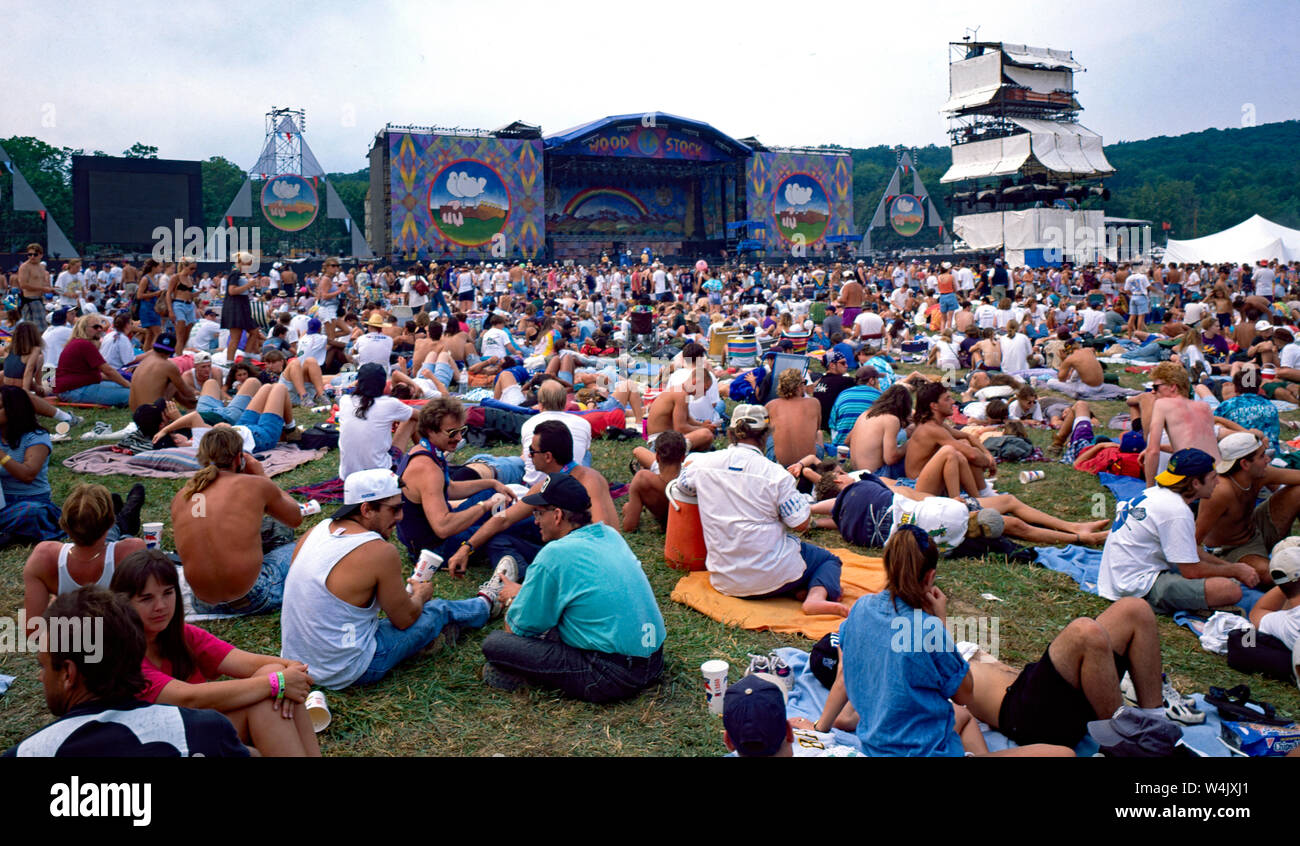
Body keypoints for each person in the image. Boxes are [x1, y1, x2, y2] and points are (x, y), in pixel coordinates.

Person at [805, 530, 1071, 757]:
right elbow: (964, 695)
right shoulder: (928, 629)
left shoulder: (861, 608)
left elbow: (843, 676)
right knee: (1064, 753)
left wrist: (819, 729)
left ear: (887, 566)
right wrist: (940, 622)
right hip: (928, 750)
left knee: (961, 718)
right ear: (930, 576)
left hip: (878, 747)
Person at [282, 468, 502, 690]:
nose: (400, 517)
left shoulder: (316, 531)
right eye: (394, 509)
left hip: (297, 662)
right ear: (366, 509)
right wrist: (421, 596)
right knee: (438, 610)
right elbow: (404, 620)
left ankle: (438, 635)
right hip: (346, 669)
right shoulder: (378, 550)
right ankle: (488, 603)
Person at [111, 549, 320, 757]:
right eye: (146, 598)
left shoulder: (182, 635)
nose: (161, 606)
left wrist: (291, 671)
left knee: (274, 675)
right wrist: (278, 683)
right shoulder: (124, 657)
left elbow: (251, 663)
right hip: (166, 745)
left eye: (168, 593)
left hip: (201, 731)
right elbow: (189, 698)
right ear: (124, 603)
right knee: (271, 694)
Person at [480, 472, 667, 702]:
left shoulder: (554, 554)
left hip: (611, 674)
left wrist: (513, 600)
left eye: (539, 513)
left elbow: (517, 630)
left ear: (558, 515)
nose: (536, 521)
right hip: (654, 660)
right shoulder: (609, 534)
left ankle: (527, 678)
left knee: (495, 644)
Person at [5, 587, 248, 757]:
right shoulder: (208, 732)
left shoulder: (27, 753)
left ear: (68, 673)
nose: (40, 677)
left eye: (43, 666)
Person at [675, 404, 847, 617]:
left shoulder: (701, 465)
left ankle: (799, 588)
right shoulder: (776, 475)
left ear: (731, 434)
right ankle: (815, 597)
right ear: (766, 435)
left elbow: (682, 487)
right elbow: (800, 524)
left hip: (724, 579)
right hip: (772, 574)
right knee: (828, 560)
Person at [445, 420, 618, 578]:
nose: (529, 456)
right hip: (566, 549)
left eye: (532, 451)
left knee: (512, 531)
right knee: (501, 534)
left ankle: (529, 583)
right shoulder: (549, 484)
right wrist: (467, 547)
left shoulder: (588, 481)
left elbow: (600, 537)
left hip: (586, 562)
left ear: (548, 456)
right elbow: (504, 519)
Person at [1101, 448, 1256, 613]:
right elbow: (1192, 571)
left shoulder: (1156, 493)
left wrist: (1232, 567)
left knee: (1223, 580)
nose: (1217, 482)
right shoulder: (1177, 511)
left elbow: (1190, 551)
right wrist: (1234, 571)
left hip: (1116, 578)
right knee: (1229, 590)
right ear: (1196, 483)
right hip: (1134, 586)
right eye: (1212, 477)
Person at [171, 427, 305, 615]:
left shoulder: (182, 496)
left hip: (202, 602)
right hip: (252, 597)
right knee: (307, 544)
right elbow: (295, 518)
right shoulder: (255, 484)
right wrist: (261, 476)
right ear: (239, 458)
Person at [395, 397, 516, 563]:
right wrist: (485, 506)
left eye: (461, 430)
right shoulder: (427, 468)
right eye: (452, 432)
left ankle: (501, 517)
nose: (459, 438)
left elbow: (449, 488)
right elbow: (443, 527)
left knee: (491, 493)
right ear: (430, 430)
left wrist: (492, 483)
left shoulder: (423, 450)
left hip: (428, 539)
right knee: (504, 528)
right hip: (434, 549)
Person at [22, 482, 146, 629]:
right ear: (110, 522)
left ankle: (122, 511)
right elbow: (144, 618)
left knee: (115, 535)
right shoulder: (130, 550)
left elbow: (33, 629)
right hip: (119, 639)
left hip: (71, 638)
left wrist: (57, 603)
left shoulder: (45, 556)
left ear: (64, 524)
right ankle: (125, 513)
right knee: (122, 536)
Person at [1197, 432, 1300, 587]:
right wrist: (1229, 569)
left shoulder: (1260, 473)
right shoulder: (1220, 492)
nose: (1268, 460)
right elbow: (1192, 543)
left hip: (1255, 529)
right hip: (1232, 549)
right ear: (1245, 464)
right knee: (1278, 576)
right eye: (1262, 456)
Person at [0, 386, 62, 543]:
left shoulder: (36, 437)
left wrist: (1, 456)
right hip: (2, 502)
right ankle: (11, 532)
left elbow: (28, 475)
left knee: (31, 513)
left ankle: (11, 531)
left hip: (29, 501)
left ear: (14, 410)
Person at [337, 362, 418, 478]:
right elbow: (421, 416)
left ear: (358, 382)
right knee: (412, 419)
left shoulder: (344, 400)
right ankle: (430, 458)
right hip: (383, 474)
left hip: (348, 475)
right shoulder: (390, 404)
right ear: (384, 385)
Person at [53, 314, 133, 407]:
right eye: (95, 327)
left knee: (128, 389)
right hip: (72, 389)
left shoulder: (77, 342)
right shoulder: (84, 344)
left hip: (66, 386)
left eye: (100, 326)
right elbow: (108, 370)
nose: (99, 329)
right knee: (133, 395)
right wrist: (127, 384)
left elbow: (98, 374)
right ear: (83, 328)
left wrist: (122, 382)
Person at [622, 429, 687, 532]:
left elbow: (629, 527)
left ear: (657, 457)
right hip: (683, 524)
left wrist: (627, 510)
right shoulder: (691, 480)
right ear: (683, 458)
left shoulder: (642, 479)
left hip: (662, 519)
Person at [847, 384, 910, 478]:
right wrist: (910, 443)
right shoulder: (891, 419)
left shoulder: (865, 414)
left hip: (857, 472)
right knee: (915, 451)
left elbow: (847, 440)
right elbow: (890, 458)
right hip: (875, 475)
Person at [765, 368, 822, 465]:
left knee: (769, 431)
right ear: (799, 386)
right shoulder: (814, 403)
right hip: (809, 462)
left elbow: (764, 431)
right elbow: (817, 429)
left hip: (778, 463)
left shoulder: (770, 405)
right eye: (804, 383)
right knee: (819, 434)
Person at [127, 332, 196, 411]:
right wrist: (198, 397)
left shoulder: (144, 361)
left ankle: (191, 407)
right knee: (174, 383)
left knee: (173, 383)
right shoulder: (168, 365)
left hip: (136, 413)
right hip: (152, 414)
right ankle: (193, 407)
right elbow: (187, 392)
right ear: (172, 351)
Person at [810, 350, 853, 431]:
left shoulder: (820, 381)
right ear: (832, 365)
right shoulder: (845, 381)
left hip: (821, 424)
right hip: (834, 425)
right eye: (843, 363)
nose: (846, 366)